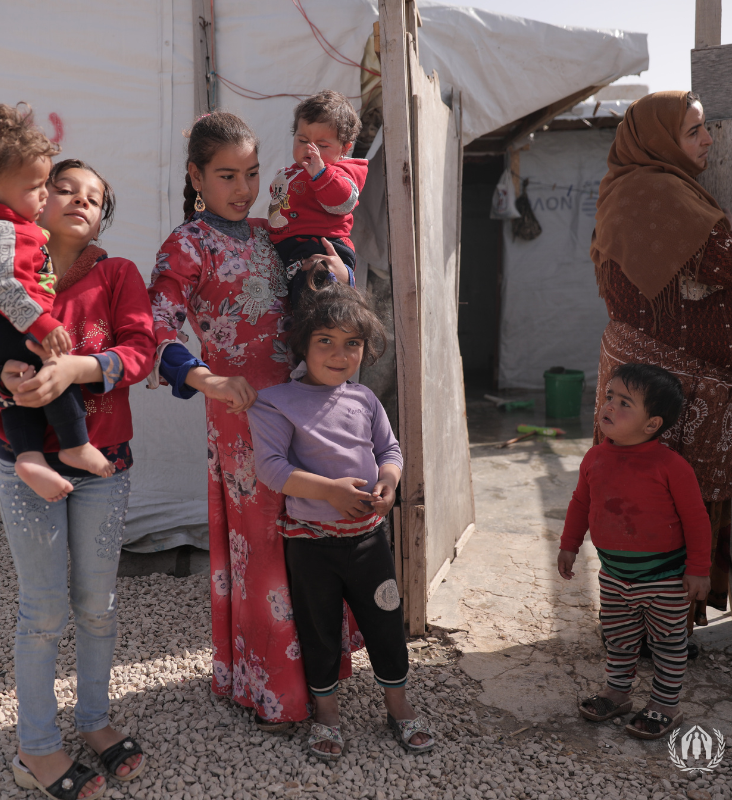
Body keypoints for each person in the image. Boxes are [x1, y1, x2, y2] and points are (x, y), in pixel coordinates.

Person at [147, 111, 357, 730]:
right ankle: (276, 690)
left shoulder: (274, 233)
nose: (242, 189)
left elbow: (331, 288)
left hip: (304, 402)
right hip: (239, 412)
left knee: (314, 535)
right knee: (263, 547)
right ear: (196, 176)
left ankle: (325, 677)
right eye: (227, 175)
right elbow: (157, 324)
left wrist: (337, 274)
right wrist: (207, 377)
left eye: (252, 173)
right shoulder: (186, 246)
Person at [0, 158, 153, 799]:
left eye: (94, 196)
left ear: (102, 217)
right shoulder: (5, 272)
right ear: (36, 200)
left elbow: (141, 352)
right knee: (42, 611)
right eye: (64, 187)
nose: (78, 199)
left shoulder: (117, 274)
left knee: (97, 605)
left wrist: (78, 370)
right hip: (25, 467)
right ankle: (35, 749)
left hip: (104, 464)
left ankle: (93, 721)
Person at [246, 282, 435, 760]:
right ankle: (327, 716)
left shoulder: (364, 400)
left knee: (386, 625)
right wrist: (329, 490)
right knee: (320, 629)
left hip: (370, 542)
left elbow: (388, 451)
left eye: (352, 343)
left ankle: (399, 707)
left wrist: (389, 484)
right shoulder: (275, 401)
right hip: (312, 546)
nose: (339, 353)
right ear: (303, 346)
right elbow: (270, 468)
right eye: (325, 341)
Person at [590, 90, 732, 632]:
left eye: (705, 128)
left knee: (643, 500)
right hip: (668, 386)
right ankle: (659, 630)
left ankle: (644, 626)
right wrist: (725, 226)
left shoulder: (635, 188)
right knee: (665, 505)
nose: (708, 140)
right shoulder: (658, 192)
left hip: (653, 377)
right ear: (660, 140)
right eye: (693, 131)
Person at [0, 103, 113, 504]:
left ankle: (29, 456)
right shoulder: (0, 227)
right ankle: (74, 442)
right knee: (50, 359)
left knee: (22, 379)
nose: (43, 195)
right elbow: (4, 286)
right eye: (37, 187)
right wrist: (42, 323)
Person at [558, 363, 712, 741]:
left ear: (651, 424)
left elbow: (696, 520)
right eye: (609, 396)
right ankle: (617, 692)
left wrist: (698, 568)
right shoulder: (595, 458)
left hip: (664, 578)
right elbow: (581, 503)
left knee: (667, 643)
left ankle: (664, 705)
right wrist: (568, 545)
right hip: (613, 576)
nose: (609, 405)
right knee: (619, 637)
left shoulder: (671, 467)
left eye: (624, 402)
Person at [266, 90, 367, 306]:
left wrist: (322, 175)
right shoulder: (291, 172)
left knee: (314, 306)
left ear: (345, 148)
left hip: (322, 247)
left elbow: (343, 201)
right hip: (290, 250)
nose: (310, 150)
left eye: (322, 146)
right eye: (302, 139)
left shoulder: (340, 172)